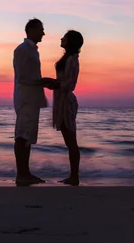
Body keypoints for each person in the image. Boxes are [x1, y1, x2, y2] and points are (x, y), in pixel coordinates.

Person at [12, 18, 56, 185]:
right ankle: (21, 174)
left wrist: (43, 82)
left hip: (32, 98)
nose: (43, 33)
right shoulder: (23, 50)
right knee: (22, 135)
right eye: (41, 29)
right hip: (25, 98)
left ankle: (25, 173)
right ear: (31, 30)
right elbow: (23, 77)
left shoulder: (32, 51)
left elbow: (30, 76)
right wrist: (43, 81)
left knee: (28, 135)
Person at [51, 30, 84, 186]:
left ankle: (74, 177)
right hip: (61, 101)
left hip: (66, 102)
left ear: (70, 41)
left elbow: (71, 84)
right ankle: (73, 176)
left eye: (64, 37)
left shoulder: (72, 60)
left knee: (71, 141)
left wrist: (54, 84)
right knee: (69, 141)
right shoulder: (67, 58)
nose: (61, 38)